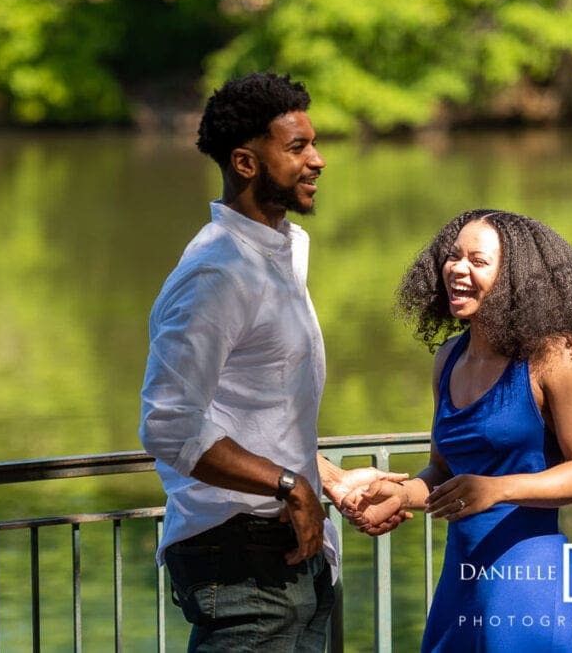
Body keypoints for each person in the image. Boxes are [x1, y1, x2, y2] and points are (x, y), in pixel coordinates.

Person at [139, 72, 407, 652]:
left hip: (289, 550)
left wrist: (329, 480)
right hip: (239, 557)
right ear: (245, 162)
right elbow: (169, 424)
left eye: (313, 143)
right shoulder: (217, 271)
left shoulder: (280, 253)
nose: (318, 160)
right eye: (297, 147)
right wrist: (290, 485)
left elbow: (254, 411)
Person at [348, 209, 572, 651]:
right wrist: (401, 493)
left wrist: (498, 489)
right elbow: (443, 469)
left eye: (478, 261)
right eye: (453, 258)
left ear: (513, 278)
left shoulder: (558, 356)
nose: (458, 270)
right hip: (460, 578)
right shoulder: (448, 358)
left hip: (530, 578)